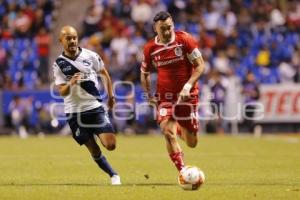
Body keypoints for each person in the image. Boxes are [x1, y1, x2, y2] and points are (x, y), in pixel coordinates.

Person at [52, 26, 121, 185]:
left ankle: (101, 136)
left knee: (111, 145)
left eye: (74, 37)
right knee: (94, 149)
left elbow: (105, 74)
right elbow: (62, 91)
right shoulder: (59, 64)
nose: (72, 41)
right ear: (61, 41)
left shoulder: (90, 56)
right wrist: (71, 83)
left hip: (94, 107)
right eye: (68, 38)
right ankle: (113, 175)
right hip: (74, 113)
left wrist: (110, 96)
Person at [140, 11, 205, 172]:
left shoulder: (185, 40)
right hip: (165, 97)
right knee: (167, 132)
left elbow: (200, 66)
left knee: (192, 142)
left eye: (169, 27)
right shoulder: (150, 48)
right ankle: (183, 171)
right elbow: (145, 73)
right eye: (163, 29)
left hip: (188, 96)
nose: (167, 32)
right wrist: (149, 95)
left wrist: (188, 86)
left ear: (173, 25)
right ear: (156, 29)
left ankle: (178, 127)